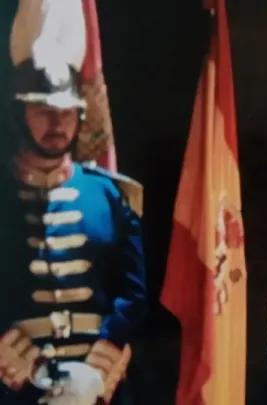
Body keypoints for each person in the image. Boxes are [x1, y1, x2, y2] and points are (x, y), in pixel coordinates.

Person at [0, 57, 147, 404]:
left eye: (66, 113)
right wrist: (27, 366)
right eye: (44, 112)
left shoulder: (109, 195)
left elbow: (133, 295)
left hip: (97, 389)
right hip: (15, 388)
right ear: (19, 114)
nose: (57, 124)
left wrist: (97, 371)